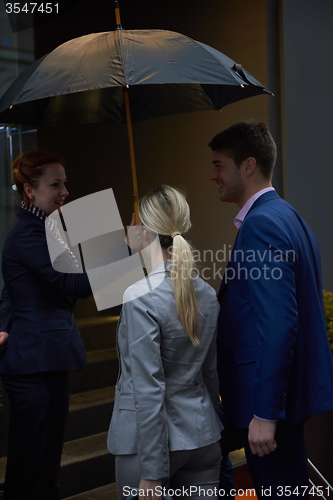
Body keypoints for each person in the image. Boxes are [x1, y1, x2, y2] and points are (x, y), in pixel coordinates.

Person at [208, 121, 333, 499]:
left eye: (219, 165)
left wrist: (264, 414)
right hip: (285, 395)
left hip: (267, 404)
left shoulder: (261, 224)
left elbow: (279, 324)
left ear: (248, 166)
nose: (212, 175)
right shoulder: (287, 215)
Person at [107, 185, 222, 500]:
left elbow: (148, 388)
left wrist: (154, 472)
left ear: (145, 233)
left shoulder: (138, 296)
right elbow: (210, 375)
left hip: (151, 448)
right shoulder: (209, 295)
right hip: (203, 437)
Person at [0, 150, 94, 500]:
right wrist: (126, 251)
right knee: (33, 468)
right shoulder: (29, 233)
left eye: (65, 183)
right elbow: (73, 285)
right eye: (55, 184)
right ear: (29, 191)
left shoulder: (48, 227)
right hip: (32, 364)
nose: (65, 191)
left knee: (43, 464)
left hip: (47, 359)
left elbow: (14, 287)